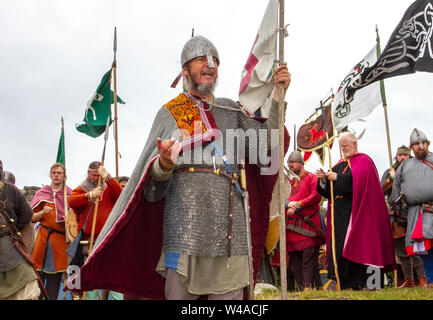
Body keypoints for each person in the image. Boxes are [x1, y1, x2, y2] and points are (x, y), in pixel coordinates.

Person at [68, 35, 291, 300]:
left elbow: (266, 145)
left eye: (215, 61)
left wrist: (278, 96)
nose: (210, 65)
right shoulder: (170, 113)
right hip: (185, 232)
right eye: (201, 60)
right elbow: (151, 191)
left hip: (232, 231)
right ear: (184, 70)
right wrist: (163, 164)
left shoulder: (232, 111)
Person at [315, 132, 395, 290]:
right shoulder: (339, 163)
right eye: (341, 146)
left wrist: (338, 178)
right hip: (339, 215)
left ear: (355, 144)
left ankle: (371, 285)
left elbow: (358, 180)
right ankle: (347, 285)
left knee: (362, 247)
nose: (343, 149)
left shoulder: (364, 161)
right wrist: (324, 180)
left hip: (358, 212)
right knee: (340, 249)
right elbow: (328, 192)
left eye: (345, 145)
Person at [391, 129, 433, 289]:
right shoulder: (405, 166)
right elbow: (396, 187)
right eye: (416, 144)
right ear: (412, 147)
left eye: (423, 143)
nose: (420, 146)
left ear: (428, 143)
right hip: (417, 213)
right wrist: (397, 209)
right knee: (426, 248)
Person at [68, 161, 123, 300]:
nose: (95, 178)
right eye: (93, 175)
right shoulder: (81, 189)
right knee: (91, 278)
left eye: (97, 175)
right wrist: (89, 195)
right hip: (89, 241)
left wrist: (108, 177)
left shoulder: (109, 188)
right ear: (88, 174)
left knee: (114, 275)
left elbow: (121, 195)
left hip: (107, 240)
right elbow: (71, 201)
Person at [381, 145, 427, 288]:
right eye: (400, 155)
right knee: (401, 250)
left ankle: (422, 279)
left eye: (405, 155)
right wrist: (391, 179)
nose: (402, 157)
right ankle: (409, 280)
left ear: (409, 156)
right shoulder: (389, 172)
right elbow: (381, 190)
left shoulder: (417, 170)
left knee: (415, 247)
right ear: (396, 156)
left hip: (412, 212)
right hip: (395, 215)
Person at [0, 160, 42, 300]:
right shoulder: (11, 189)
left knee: (26, 283)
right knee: (26, 283)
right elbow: (27, 214)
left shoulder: (10, 190)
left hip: (8, 246)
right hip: (9, 243)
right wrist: (14, 230)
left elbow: (27, 215)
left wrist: (14, 230)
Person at [30, 163, 72, 300]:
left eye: (59, 173)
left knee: (53, 285)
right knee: (38, 282)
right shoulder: (41, 193)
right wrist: (42, 212)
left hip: (59, 243)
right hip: (42, 240)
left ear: (64, 176)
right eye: (54, 172)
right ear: (50, 175)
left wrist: (69, 219)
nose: (56, 175)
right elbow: (31, 218)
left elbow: (77, 221)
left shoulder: (70, 194)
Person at [285, 150, 323, 291]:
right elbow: (282, 198)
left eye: (293, 162)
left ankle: (308, 287)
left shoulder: (312, 178)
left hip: (308, 226)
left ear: (301, 163)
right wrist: (288, 204)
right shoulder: (289, 182)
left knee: (308, 259)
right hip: (291, 227)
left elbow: (316, 196)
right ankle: (302, 288)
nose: (290, 165)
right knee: (294, 261)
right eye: (289, 163)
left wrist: (299, 204)